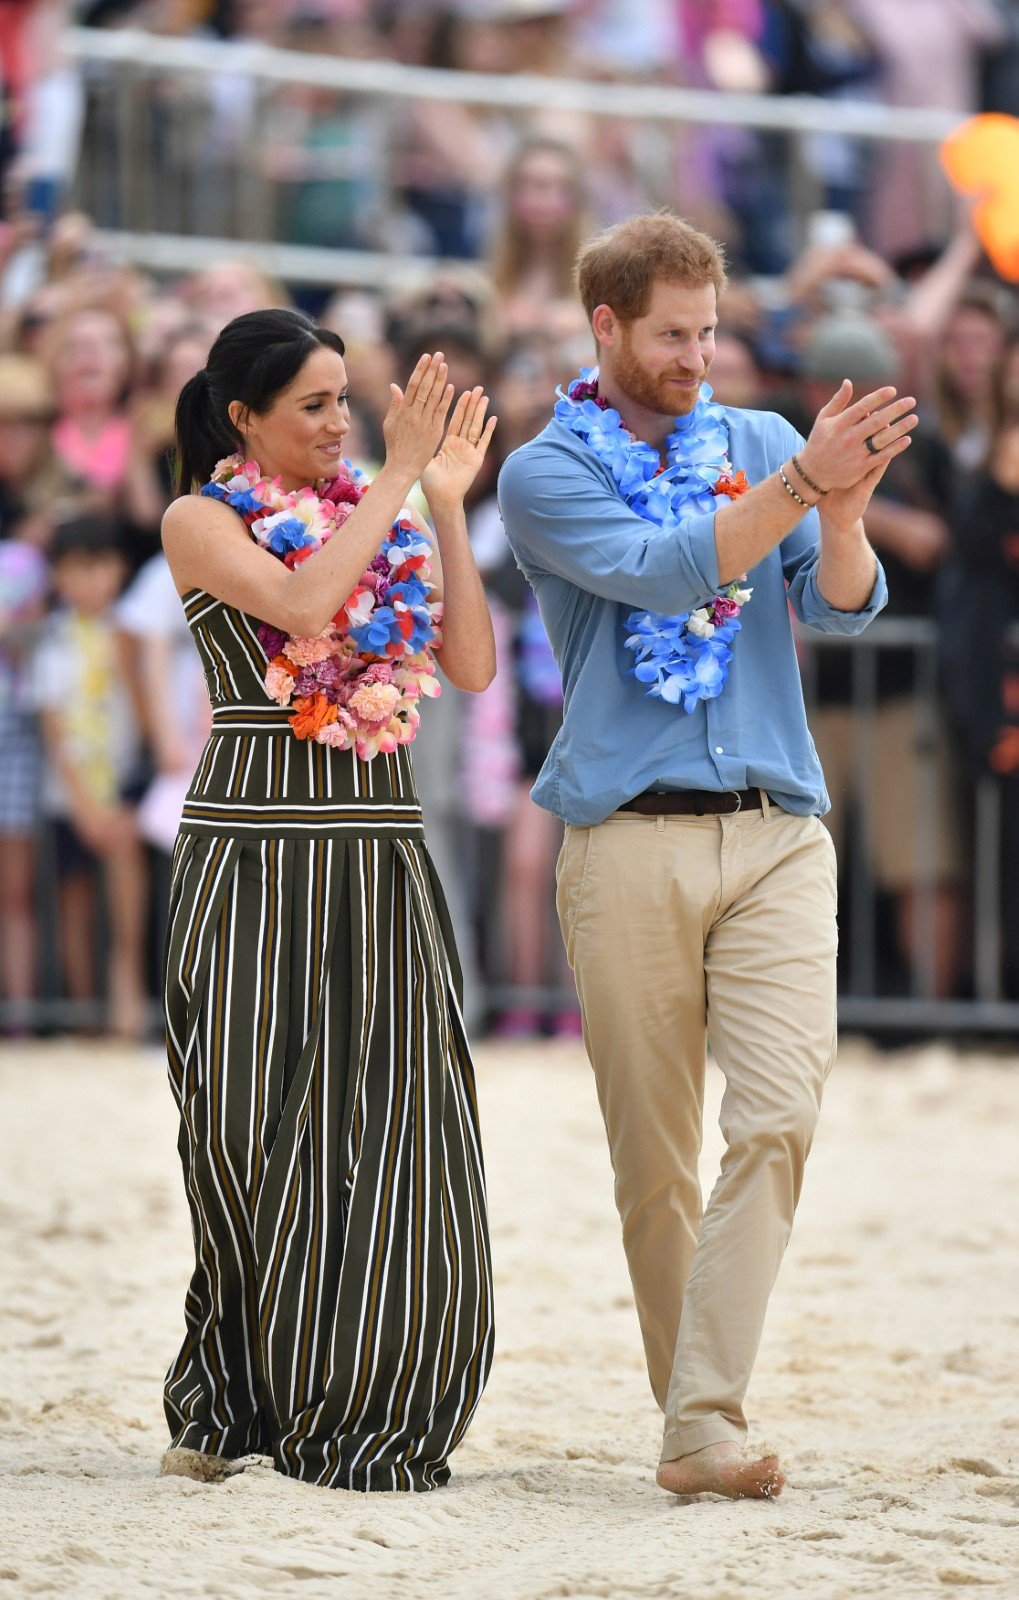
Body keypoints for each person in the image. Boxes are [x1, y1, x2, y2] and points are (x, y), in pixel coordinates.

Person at [498, 212, 914, 1499]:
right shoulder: (539, 473)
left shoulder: (761, 442)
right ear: (605, 326)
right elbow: (667, 568)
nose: (697, 356)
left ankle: (700, 1420)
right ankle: (700, 1430)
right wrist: (798, 486)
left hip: (778, 825)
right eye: (672, 334)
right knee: (652, 1159)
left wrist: (839, 513)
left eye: (711, 331)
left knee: (781, 1115)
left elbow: (835, 607)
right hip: (623, 835)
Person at [158, 308, 497, 1492]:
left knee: (391, 1129)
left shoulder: (383, 508)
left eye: (345, 399)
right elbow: (302, 609)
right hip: (251, 857)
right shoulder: (197, 518)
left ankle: (372, 1393)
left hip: (374, 847)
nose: (339, 421)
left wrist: (440, 501)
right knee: (244, 1131)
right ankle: (239, 1392)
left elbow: (466, 667)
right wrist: (396, 480)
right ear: (242, 417)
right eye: (312, 403)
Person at [31, 512, 148, 1039]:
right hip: (69, 795)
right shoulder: (51, 638)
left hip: (125, 785)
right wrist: (81, 803)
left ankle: (126, 988)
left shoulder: (133, 632)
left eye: (98, 566)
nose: (88, 580)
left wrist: (124, 793)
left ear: (119, 568)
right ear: (58, 575)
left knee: (127, 890)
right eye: (74, 568)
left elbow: (148, 711)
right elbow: (53, 725)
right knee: (73, 901)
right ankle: (83, 1011)